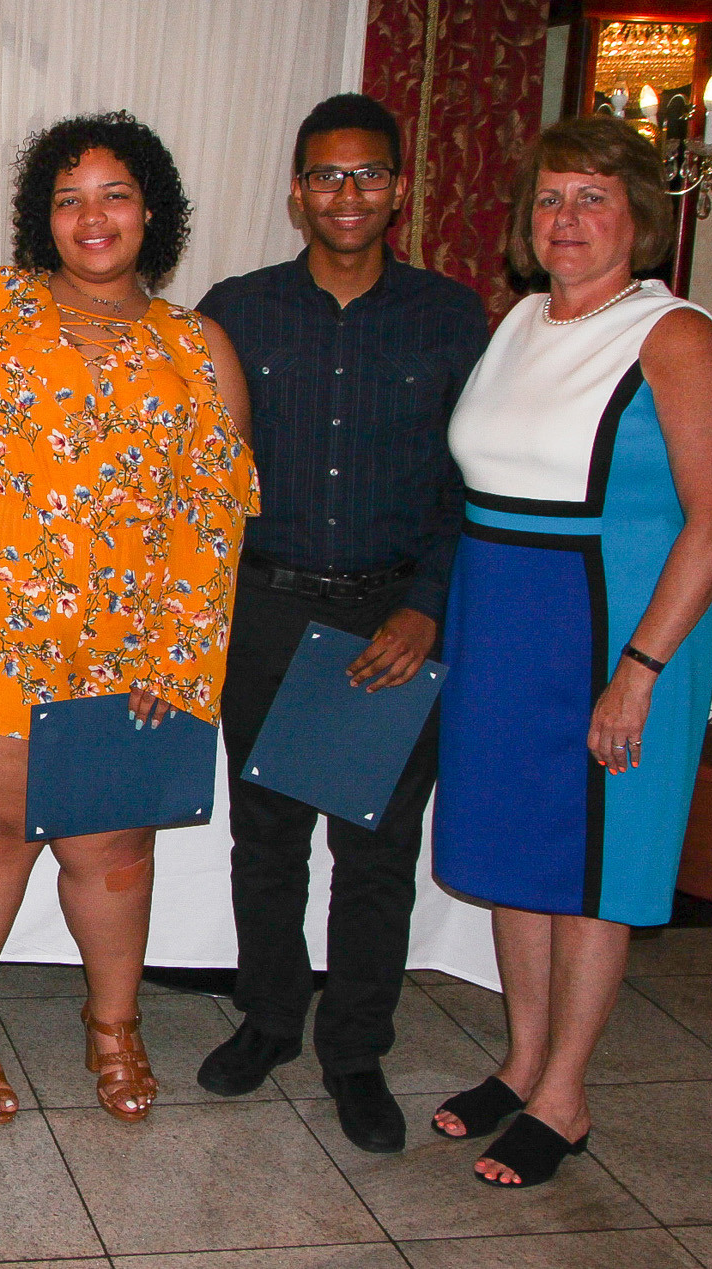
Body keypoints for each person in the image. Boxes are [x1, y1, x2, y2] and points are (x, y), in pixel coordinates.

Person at [0, 113, 258, 1124]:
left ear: (152, 211)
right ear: (38, 217)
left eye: (114, 195)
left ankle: (114, 1024)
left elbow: (213, 516)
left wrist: (179, 658)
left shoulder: (197, 346)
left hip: (132, 645)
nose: (91, 217)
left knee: (113, 850)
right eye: (67, 199)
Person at [429, 116, 712, 1187]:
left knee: (591, 871)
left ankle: (563, 1098)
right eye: (551, 198)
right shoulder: (520, 318)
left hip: (610, 628)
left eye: (592, 197)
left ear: (637, 216)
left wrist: (638, 671)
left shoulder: (672, 334)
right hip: (500, 622)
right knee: (517, 855)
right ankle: (521, 1063)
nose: (566, 218)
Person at [191, 93, 490, 1153]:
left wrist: (425, 605)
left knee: (372, 850)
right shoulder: (237, 310)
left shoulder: (451, 318)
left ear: (397, 188)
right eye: (327, 175)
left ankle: (355, 1050)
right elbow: (196, 470)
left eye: (366, 175)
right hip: (266, 609)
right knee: (266, 839)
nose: (347, 194)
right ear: (296, 192)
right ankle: (270, 1018)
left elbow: (475, 483)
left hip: (388, 616)